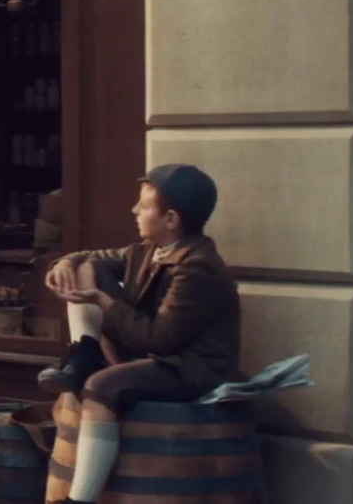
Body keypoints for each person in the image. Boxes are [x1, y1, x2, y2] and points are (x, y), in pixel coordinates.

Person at [37, 164, 241, 504]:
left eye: (144, 206)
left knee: (100, 387)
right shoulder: (148, 251)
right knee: (89, 268)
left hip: (190, 369)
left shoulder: (198, 266)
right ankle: (85, 352)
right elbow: (92, 257)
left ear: (171, 219)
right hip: (157, 357)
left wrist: (104, 302)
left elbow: (160, 339)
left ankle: (79, 501)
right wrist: (65, 263)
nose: (134, 210)